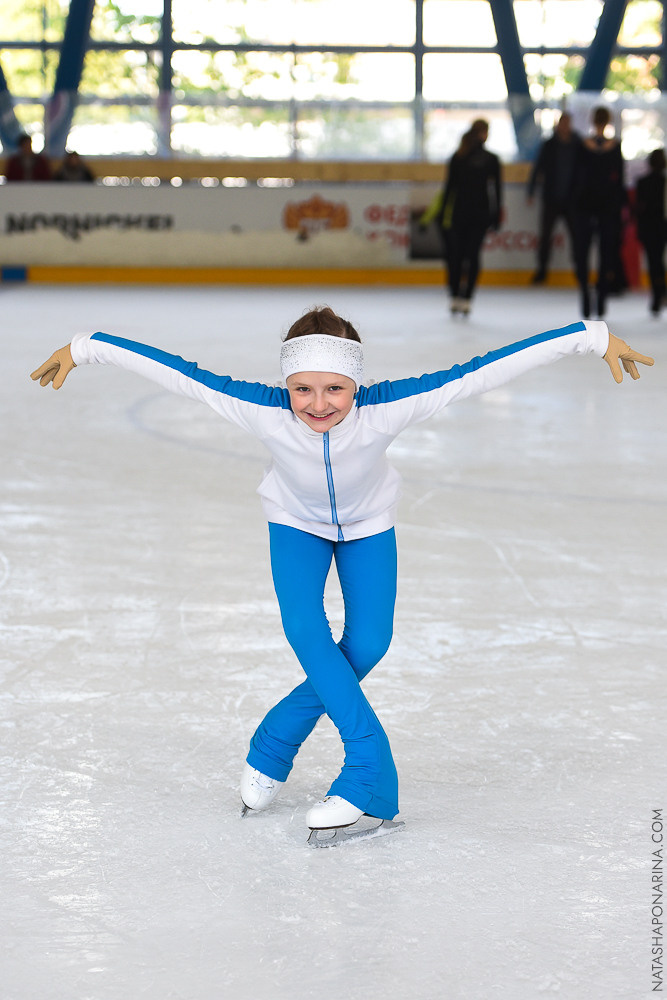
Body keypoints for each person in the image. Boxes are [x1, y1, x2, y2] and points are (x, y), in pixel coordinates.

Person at [29, 307, 653, 841]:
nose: (318, 405)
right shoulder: (261, 408)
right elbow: (179, 374)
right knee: (307, 631)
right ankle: (366, 770)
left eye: (335, 390)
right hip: (294, 525)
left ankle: (273, 743)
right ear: (286, 384)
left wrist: (592, 338)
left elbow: (480, 372)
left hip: (367, 527)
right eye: (302, 390)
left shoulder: (389, 407)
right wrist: (85, 350)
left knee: (367, 646)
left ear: (357, 383)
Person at [421, 119, 502, 317]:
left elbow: (495, 189)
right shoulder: (461, 157)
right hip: (466, 215)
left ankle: (461, 296)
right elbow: (451, 187)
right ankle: (461, 296)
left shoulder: (483, 158)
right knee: (462, 257)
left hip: (469, 215)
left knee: (462, 257)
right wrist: (496, 213)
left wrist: (496, 212)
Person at [573, 106, 626, 320]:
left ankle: (593, 298)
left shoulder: (608, 147)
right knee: (597, 254)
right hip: (598, 206)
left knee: (594, 255)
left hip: (597, 206)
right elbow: (618, 180)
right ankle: (594, 299)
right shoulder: (590, 146)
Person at [527, 111, 581, 284]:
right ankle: (542, 270)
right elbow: (538, 168)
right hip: (551, 198)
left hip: (572, 200)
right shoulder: (549, 145)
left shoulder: (577, 144)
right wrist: (531, 190)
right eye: (562, 123)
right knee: (545, 236)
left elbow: (585, 170)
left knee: (577, 237)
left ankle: (580, 270)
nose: (564, 127)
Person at [634, 148, 666, 317]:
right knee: (657, 262)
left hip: (650, 229)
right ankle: (660, 292)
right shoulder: (663, 182)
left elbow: (639, 209)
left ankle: (658, 294)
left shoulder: (643, 182)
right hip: (660, 228)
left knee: (654, 262)